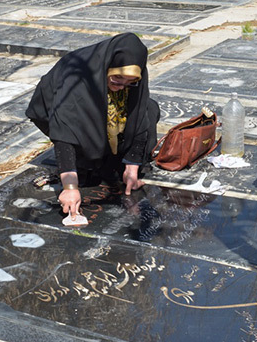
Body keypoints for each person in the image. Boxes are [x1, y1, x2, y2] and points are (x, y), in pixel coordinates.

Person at [26, 33, 159, 218]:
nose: (122, 86)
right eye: (117, 79)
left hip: (100, 120)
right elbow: (65, 132)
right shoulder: (77, 79)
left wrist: (132, 166)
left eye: (131, 83)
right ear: (107, 68)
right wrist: (70, 187)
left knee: (149, 107)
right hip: (67, 116)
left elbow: (139, 116)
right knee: (88, 168)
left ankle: (109, 157)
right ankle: (88, 157)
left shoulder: (131, 82)